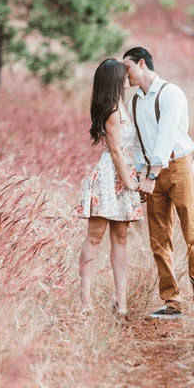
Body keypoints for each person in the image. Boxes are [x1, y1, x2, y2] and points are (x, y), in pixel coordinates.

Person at [123, 46, 194, 320]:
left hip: (179, 168)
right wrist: (140, 175)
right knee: (159, 239)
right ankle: (172, 302)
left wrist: (151, 175)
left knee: (193, 234)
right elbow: (137, 143)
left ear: (141, 63)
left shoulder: (170, 93)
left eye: (128, 68)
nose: (125, 75)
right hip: (151, 174)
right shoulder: (134, 101)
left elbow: (165, 135)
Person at [78, 58, 143, 317]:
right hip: (110, 177)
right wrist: (129, 182)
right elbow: (115, 149)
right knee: (95, 236)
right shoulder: (113, 111)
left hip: (123, 174)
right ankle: (85, 302)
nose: (127, 77)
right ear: (113, 80)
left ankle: (121, 299)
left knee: (121, 238)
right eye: (122, 74)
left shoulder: (121, 106)